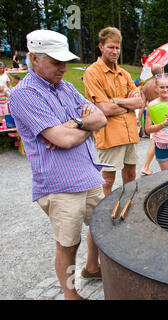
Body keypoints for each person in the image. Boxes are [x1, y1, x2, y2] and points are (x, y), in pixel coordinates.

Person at [9, 30, 108, 300]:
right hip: (60, 184)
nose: (63, 68)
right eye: (55, 62)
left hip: (89, 174)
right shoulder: (24, 94)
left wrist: (76, 125)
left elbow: (100, 118)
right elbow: (63, 140)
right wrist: (82, 126)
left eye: (64, 61)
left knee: (103, 229)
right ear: (34, 58)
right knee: (69, 244)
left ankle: (91, 268)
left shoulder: (66, 87)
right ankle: (70, 294)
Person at [83, 27, 143, 196]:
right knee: (108, 179)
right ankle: (104, 212)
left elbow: (139, 102)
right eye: (111, 47)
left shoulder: (124, 74)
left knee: (131, 175)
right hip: (110, 135)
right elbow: (105, 109)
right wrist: (127, 105)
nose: (115, 51)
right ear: (101, 47)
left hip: (130, 133)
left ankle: (127, 205)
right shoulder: (92, 73)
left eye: (117, 47)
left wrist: (118, 100)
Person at [139, 63, 163, 175]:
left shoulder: (146, 85)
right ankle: (145, 166)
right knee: (156, 141)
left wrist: (139, 119)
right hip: (161, 113)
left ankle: (147, 166)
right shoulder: (161, 82)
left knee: (157, 140)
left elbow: (142, 104)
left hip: (151, 113)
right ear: (160, 71)